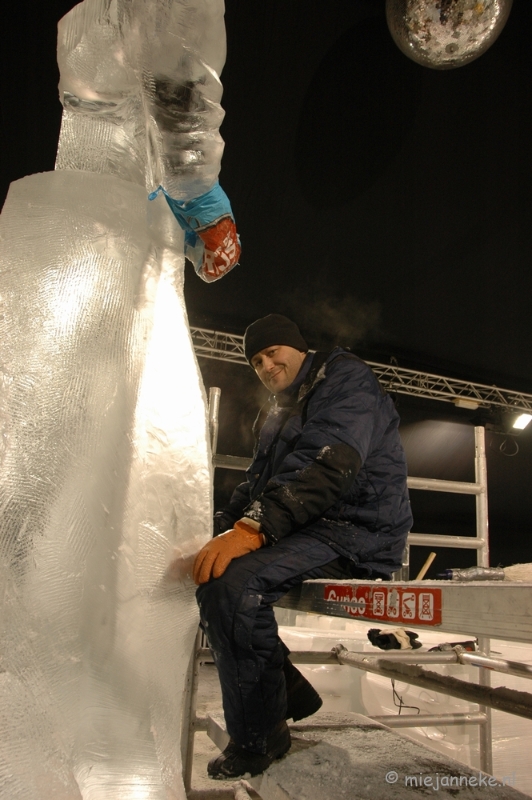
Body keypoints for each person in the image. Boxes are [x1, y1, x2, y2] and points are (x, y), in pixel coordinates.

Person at [193, 313, 413, 779]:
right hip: (310, 527)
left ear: (297, 347)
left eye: (273, 352)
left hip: (359, 530)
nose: (267, 365)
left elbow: (328, 461)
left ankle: (260, 738)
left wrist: (253, 530)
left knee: (234, 587)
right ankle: (287, 694)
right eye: (256, 360)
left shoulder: (344, 378)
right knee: (212, 573)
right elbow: (256, 485)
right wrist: (215, 532)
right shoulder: (279, 410)